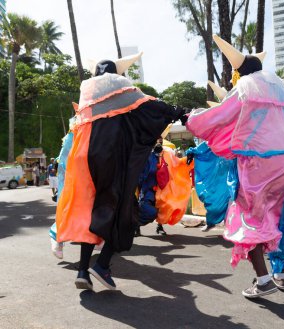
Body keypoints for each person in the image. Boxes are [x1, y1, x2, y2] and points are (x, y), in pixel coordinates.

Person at [186, 35, 284, 299]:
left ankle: (264, 280)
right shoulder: (279, 87)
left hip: (260, 162)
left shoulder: (246, 87)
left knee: (248, 216)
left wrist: (192, 118)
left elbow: (218, 117)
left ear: (239, 73)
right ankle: (281, 274)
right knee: (279, 214)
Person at [55, 53, 190, 290]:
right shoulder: (118, 86)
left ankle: (82, 271)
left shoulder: (85, 90)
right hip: (107, 153)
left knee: (90, 211)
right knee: (122, 211)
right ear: (116, 73)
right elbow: (148, 105)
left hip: (82, 155)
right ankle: (102, 265)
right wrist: (178, 111)